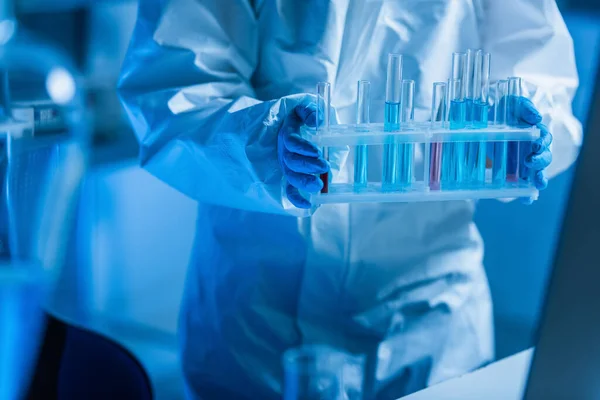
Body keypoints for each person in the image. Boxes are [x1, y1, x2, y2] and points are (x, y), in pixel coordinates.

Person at [118, 0, 581, 398]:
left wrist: (525, 128)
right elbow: (172, 85)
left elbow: (538, 68)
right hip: (256, 329)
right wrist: (261, 143)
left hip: (427, 322)